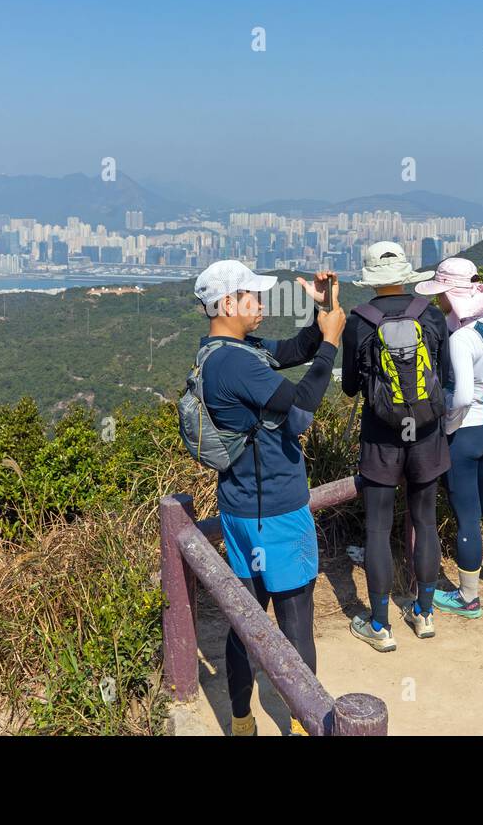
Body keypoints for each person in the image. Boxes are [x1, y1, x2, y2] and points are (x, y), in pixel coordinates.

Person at [192, 259, 345, 735]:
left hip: (242, 509)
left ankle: (241, 722)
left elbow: (297, 347)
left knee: (246, 621)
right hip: (275, 510)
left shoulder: (226, 351)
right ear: (227, 304)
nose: (261, 304)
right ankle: (307, 723)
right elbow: (303, 402)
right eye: (252, 297)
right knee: (295, 620)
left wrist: (323, 312)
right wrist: (334, 343)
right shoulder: (236, 362)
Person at [341, 241, 450, 651]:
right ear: (405, 275)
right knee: (425, 522)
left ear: (371, 280)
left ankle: (380, 624)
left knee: (377, 529)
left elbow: (351, 387)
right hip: (426, 433)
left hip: (381, 437)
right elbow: (446, 376)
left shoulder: (360, 322)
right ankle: (424, 614)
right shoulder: (432, 315)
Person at [415, 257, 483, 619]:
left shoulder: (461, 337)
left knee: (467, 515)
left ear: (450, 292)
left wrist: (447, 425)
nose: (438, 300)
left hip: (466, 432)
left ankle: (468, 597)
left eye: (441, 292)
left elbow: (460, 395)